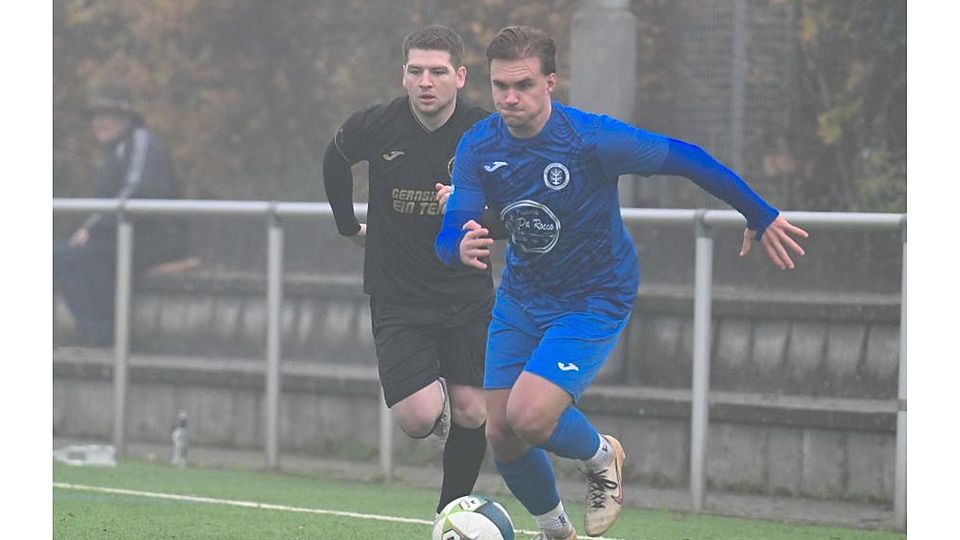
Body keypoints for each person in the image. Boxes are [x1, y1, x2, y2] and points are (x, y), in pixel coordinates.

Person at [435, 26, 809, 539]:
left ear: (550, 82)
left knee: (529, 415)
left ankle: (602, 455)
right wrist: (456, 243)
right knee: (500, 433)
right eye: (500, 86)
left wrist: (759, 213)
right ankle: (556, 530)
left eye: (522, 85)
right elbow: (454, 224)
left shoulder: (593, 138)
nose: (509, 98)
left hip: (593, 296)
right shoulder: (479, 144)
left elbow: (688, 158)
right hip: (523, 295)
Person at [321, 25, 504, 520]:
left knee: (474, 411)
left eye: (438, 72)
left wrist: (476, 215)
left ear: (460, 76)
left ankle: (450, 515)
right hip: (397, 294)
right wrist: (346, 226)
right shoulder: (376, 124)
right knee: (418, 418)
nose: (426, 81)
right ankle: (432, 395)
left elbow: (515, 212)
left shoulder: (484, 133)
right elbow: (333, 159)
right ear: (403, 76)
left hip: (464, 292)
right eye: (416, 71)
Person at [54, 84, 186, 346]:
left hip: (155, 239)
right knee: (62, 256)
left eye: (107, 115)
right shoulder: (113, 153)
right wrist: (92, 228)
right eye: (96, 116)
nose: (98, 123)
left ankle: (106, 333)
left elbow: (137, 191)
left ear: (126, 118)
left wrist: (92, 228)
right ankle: (97, 331)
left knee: (81, 255)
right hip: (124, 234)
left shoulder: (141, 142)